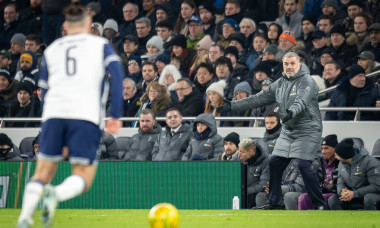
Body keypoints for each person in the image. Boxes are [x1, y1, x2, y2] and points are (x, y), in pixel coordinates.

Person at [17, 4, 123, 228]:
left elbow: (42, 90)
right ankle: (56, 194)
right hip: (85, 115)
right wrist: (115, 115)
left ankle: (25, 216)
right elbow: (116, 76)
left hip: (54, 114)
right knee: (84, 175)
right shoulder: (101, 45)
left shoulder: (52, 48)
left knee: (43, 171)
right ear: (87, 24)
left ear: (65, 25)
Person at [217, 52, 327, 210]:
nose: (289, 67)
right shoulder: (280, 84)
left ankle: (319, 203)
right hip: (289, 129)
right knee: (274, 162)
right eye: (286, 64)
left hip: (308, 128)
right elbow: (258, 98)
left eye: (292, 64)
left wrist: (292, 111)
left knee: (303, 164)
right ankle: (275, 202)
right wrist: (233, 105)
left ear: (299, 65)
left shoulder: (308, 81)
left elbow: (302, 100)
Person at [328, 138, 380, 210]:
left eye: (337, 155)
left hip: (371, 194)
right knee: (333, 199)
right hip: (353, 195)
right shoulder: (341, 164)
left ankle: (370, 221)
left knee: (369, 198)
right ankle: (341, 221)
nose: (335, 157)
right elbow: (340, 183)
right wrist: (343, 192)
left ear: (345, 155)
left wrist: (355, 193)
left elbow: (376, 186)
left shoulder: (370, 162)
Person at [298, 134, 340, 210]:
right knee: (303, 197)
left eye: (326, 148)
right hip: (321, 192)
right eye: (322, 148)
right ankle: (302, 220)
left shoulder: (340, 163)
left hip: (334, 194)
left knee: (321, 199)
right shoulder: (319, 163)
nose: (323, 151)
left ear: (335, 149)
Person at [238, 138, 270, 208]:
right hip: (245, 192)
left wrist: (244, 191)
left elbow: (263, 185)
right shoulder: (239, 159)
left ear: (251, 152)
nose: (239, 155)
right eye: (239, 151)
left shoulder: (266, 161)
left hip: (255, 194)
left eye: (242, 152)